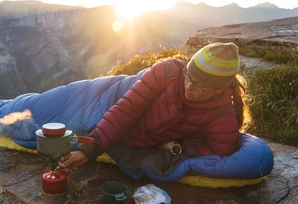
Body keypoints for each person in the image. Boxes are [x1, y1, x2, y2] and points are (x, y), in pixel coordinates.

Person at [59, 42, 251, 172]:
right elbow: (127, 108)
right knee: (41, 111)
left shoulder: (221, 114)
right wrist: (87, 149)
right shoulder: (167, 72)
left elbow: (221, 153)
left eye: (201, 85)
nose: (189, 88)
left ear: (219, 89)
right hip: (110, 97)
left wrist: (178, 147)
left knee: (54, 127)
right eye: (188, 77)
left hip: (122, 130)